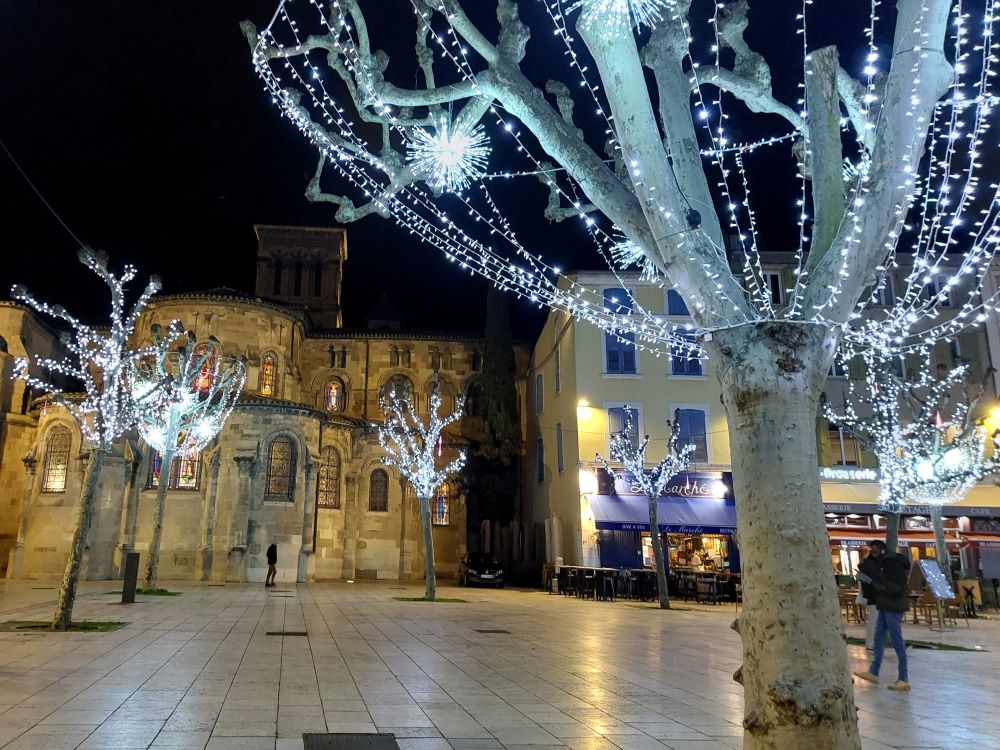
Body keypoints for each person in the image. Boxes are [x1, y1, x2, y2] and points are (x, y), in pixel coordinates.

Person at [854, 540, 911, 691]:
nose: (873, 554)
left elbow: (893, 589)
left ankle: (903, 678)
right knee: (877, 638)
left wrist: (872, 581)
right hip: (885, 607)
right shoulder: (886, 565)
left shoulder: (892, 567)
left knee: (897, 642)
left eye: (874, 551)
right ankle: (874, 671)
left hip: (893, 608)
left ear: (881, 551)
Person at [857, 544, 883, 650]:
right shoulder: (872, 567)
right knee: (874, 621)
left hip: (872, 597)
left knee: (874, 621)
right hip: (875, 597)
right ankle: (872, 644)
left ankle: (872, 643)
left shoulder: (865, 566)